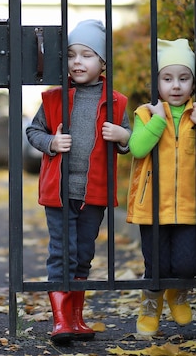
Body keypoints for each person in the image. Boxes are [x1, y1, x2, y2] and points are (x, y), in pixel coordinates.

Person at [26, 19, 131, 344]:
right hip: (59, 192)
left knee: (83, 254)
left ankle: (75, 318)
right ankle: (60, 321)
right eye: (71, 55)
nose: (77, 62)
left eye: (86, 55)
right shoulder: (54, 98)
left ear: (102, 62)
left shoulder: (117, 101)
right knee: (62, 253)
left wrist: (123, 135)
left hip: (94, 193)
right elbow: (33, 131)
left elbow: (130, 142)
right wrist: (51, 144)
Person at [126, 38, 196, 336]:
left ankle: (177, 293)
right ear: (156, 83)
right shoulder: (146, 113)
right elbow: (138, 149)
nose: (176, 85)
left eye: (184, 78)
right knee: (156, 265)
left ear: (193, 83)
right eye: (168, 78)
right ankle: (151, 303)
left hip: (187, 206)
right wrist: (158, 122)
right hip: (151, 206)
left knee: (186, 265)